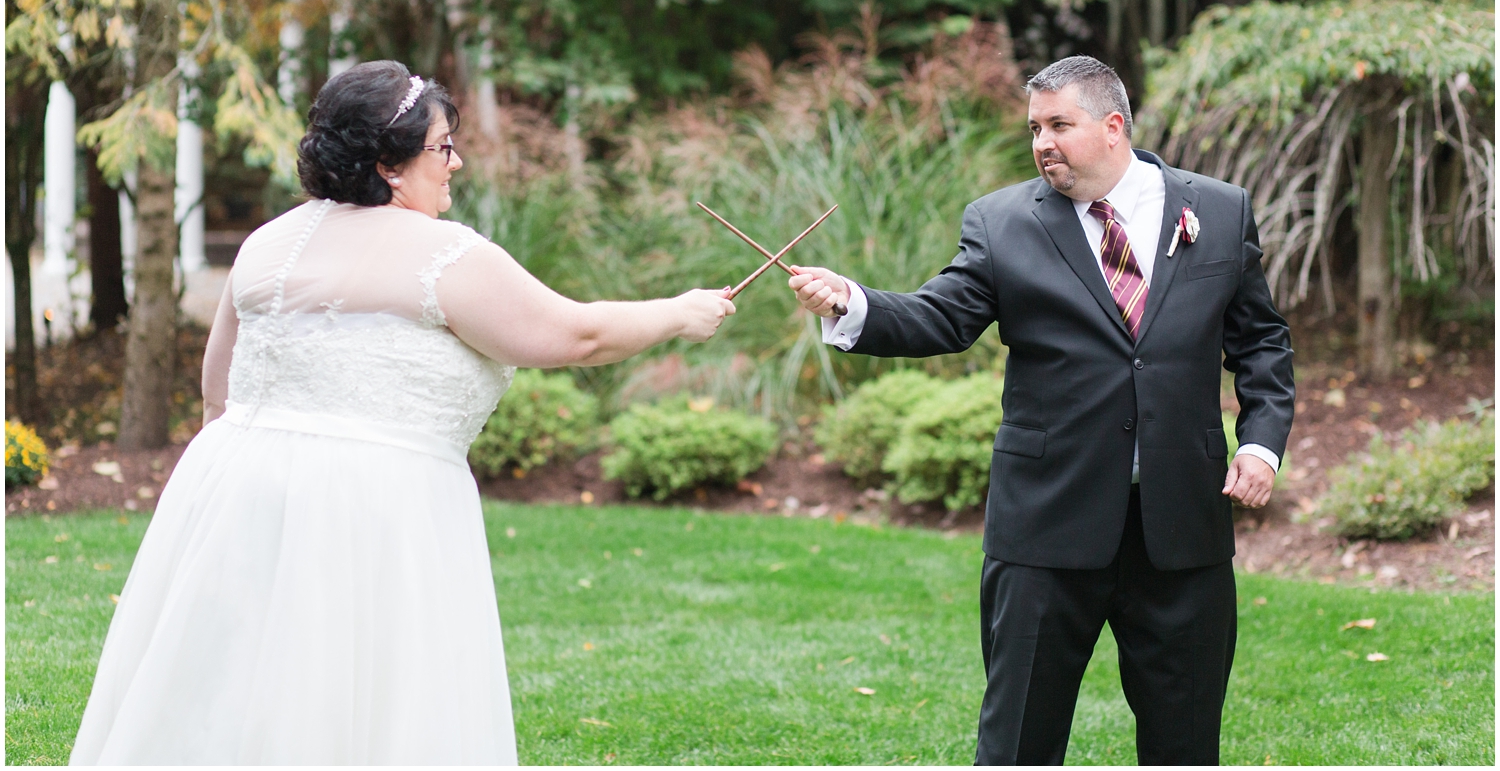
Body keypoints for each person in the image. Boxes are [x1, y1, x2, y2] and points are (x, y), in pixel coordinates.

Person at [70, 61, 736, 764]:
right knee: (373, 702)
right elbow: (574, 335)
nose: (455, 162)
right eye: (441, 147)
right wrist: (679, 313)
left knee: (237, 694)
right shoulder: (443, 253)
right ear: (389, 165)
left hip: (234, 490)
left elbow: (218, 386)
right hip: (378, 510)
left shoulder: (265, 243)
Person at [787, 56, 1294, 765]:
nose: (1042, 142)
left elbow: (1262, 340)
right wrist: (852, 299)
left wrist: (1261, 443)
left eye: (1060, 124)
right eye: (1034, 128)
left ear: (1113, 126)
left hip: (1182, 527)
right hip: (1046, 530)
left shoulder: (1216, 208)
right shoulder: (1000, 222)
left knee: (1185, 742)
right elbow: (942, 316)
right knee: (1019, 738)